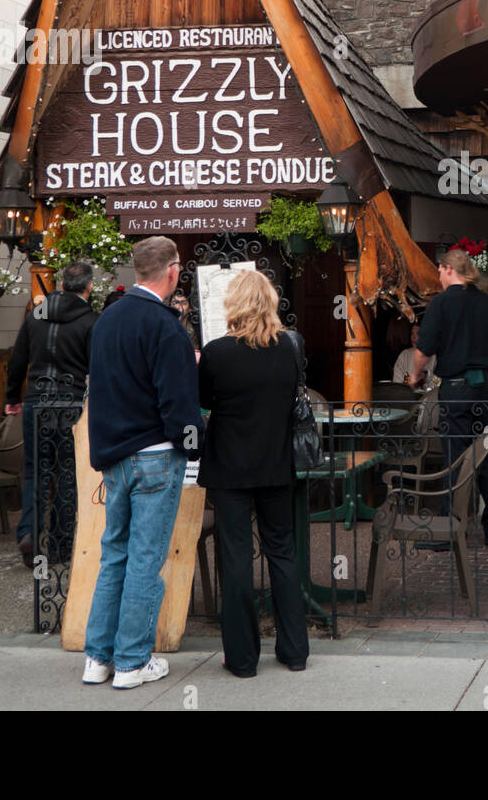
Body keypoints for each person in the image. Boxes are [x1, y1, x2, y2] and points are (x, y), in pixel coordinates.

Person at [82, 236, 205, 690]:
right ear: (172, 272)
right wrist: (194, 448)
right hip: (155, 455)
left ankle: (98, 658)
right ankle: (132, 662)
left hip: (114, 456)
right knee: (144, 560)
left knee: (114, 554)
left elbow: (100, 391)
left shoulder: (106, 320)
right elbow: (179, 404)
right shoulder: (165, 325)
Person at [198, 270, 309, 676]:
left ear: (234, 304)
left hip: (230, 468)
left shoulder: (217, 353)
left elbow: (203, 401)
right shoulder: (289, 349)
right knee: (282, 554)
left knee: (236, 558)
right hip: (277, 464)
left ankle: (243, 659)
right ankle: (295, 650)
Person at [411, 247, 488, 546]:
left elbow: (423, 351)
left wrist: (416, 376)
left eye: (439, 271)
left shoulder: (439, 305)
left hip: (456, 390)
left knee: (455, 459)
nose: (438, 277)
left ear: (448, 269)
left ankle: (450, 532)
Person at [5, 261, 97, 568]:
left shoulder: (36, 315)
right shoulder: (90, 321)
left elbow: (18, 358)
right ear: (89, 287)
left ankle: (29, 533)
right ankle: (60, 543)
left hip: (36, 400)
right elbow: (97, 368)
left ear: (60, 285)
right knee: (67, 473)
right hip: (70, 403)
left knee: (36, 472)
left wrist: (11, 397)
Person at [392, 322, 436, 387]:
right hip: (407, 396)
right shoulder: (405, 355)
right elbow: (397, 383)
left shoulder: (435, 356)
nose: (413, 337)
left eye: (418, 333)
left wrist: (426, 376)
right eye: (412, 333)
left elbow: (439, 383)